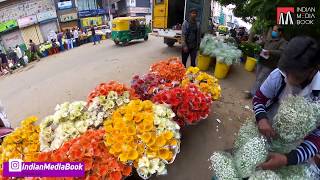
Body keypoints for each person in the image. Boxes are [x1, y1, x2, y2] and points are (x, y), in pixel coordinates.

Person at [252, 37, 320, 171]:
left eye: (296, 75)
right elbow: (258, 99)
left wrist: (288, 159)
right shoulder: (278, 75)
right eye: (287, 73)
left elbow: (318, 136)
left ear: (314, 69)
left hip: (295, 148)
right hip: (265, 133)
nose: (288, 79)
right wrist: (261, 118)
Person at [246, 25, 288, 98]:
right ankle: (257, 92)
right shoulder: (269, 38)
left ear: (280, 32)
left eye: (275, 31)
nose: (273, 32)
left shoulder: (283, 42)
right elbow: (263, 43)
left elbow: (281, 52)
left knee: (260, 79)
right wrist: (257, 45)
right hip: (261, 60)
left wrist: (270, 52)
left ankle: (253, 94)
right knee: (258, 78)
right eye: (273, 30)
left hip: (269, 64)